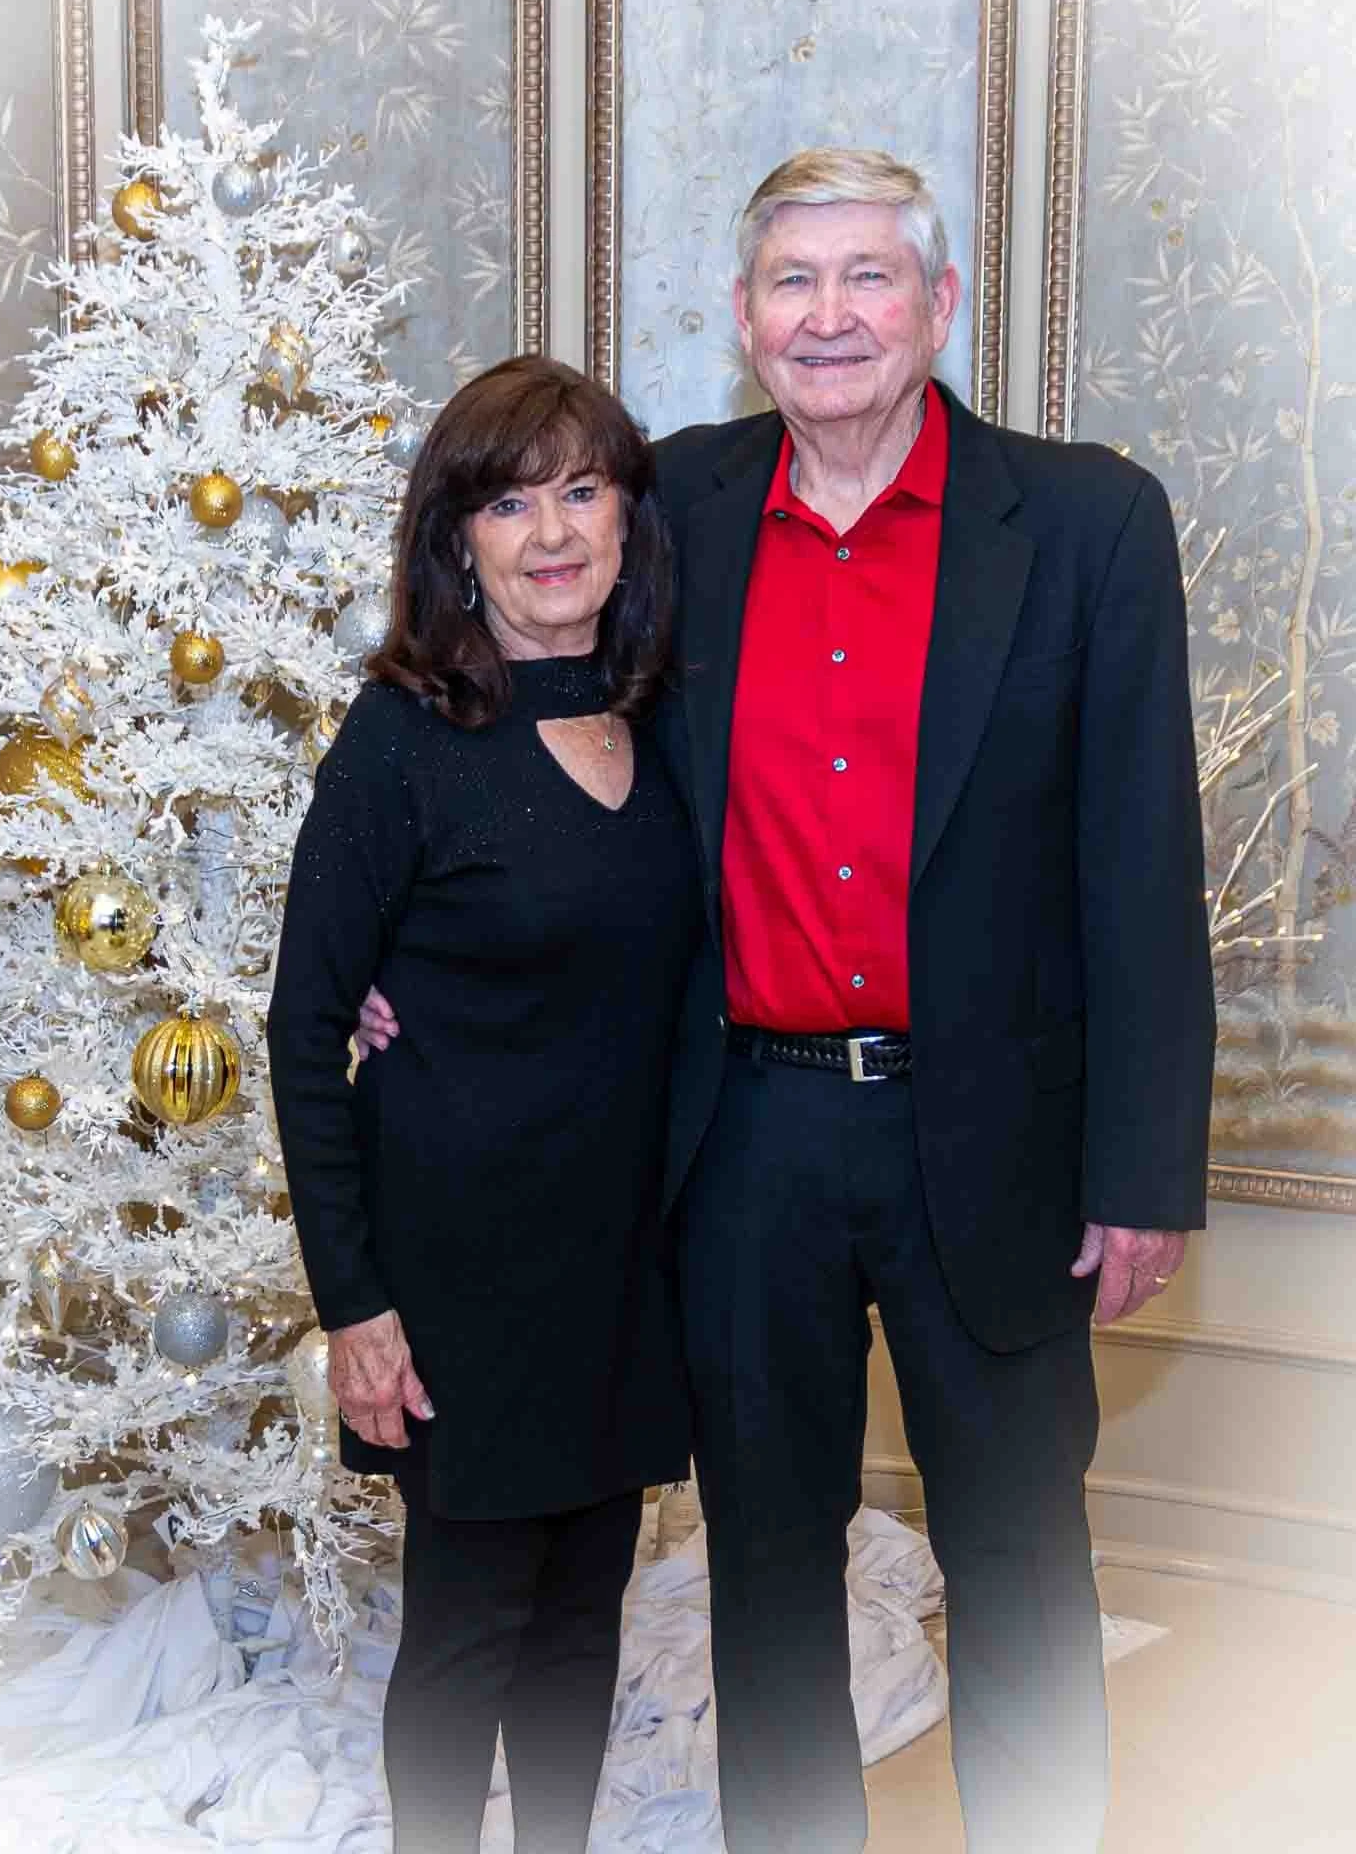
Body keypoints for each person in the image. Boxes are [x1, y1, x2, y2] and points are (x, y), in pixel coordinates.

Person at [359, 149, 1216, 1852]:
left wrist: (1146, 1170)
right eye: (793, 285)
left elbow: (1142, 861)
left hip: (1003, 1140)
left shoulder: (1089, 522)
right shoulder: (666, 505)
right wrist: (394, 940)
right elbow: (506, 706)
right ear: (743, 321)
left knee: (1025, 1566)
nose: (831, 317)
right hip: (742, 1138)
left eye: (868, 277)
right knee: (765, 1577)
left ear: (938, 305)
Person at [266, 354, 697, 1854]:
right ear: (459, 539)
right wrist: (355, 1306)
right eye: (510, 501)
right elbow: (306, 1024)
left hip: (625, 1270)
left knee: (584, 1622)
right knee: (466, 1635)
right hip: (456, 1281)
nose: (552, 531)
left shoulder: (665, 725)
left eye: (583, 489)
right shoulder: (401, 740)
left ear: (631, 519)